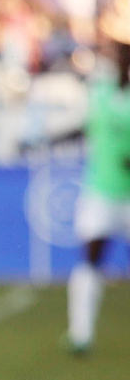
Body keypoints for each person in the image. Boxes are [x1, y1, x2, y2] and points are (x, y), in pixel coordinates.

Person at [64, 18, 130, 355]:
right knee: (90, 258)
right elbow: (87, 128)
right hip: (101, 190)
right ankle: (81, 334)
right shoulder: (100, 92)